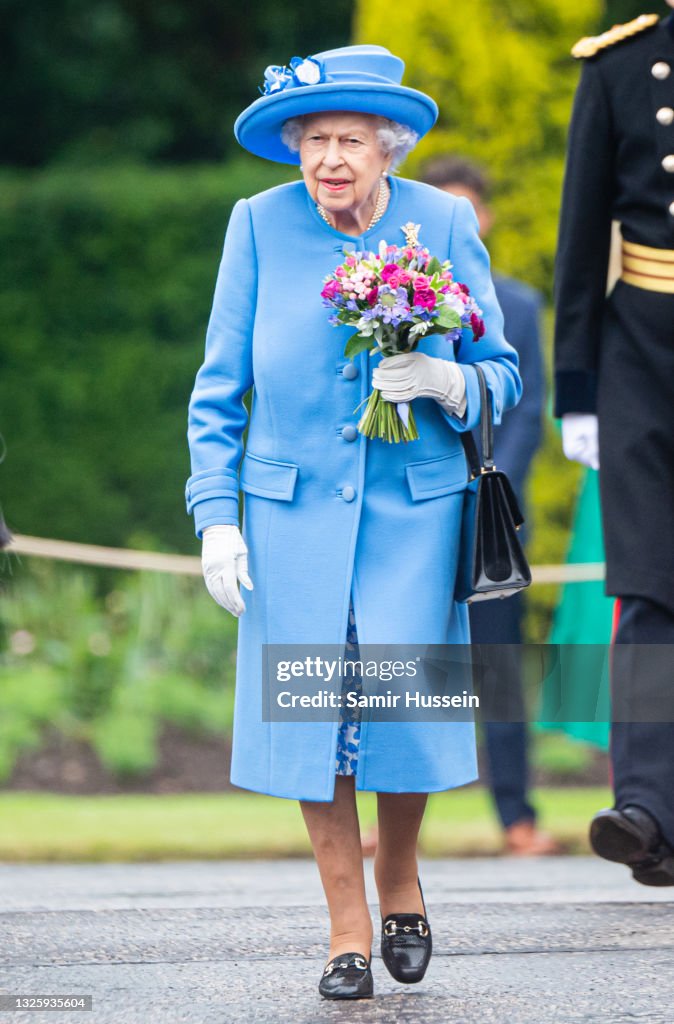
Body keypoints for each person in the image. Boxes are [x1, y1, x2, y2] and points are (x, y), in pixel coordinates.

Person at [185, 44, 521, 1000]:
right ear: (295, 148)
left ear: (390, 148)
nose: (330, 160)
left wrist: (448, 378)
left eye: (350, 142)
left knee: (400, 709)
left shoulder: (443, 221)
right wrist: (217, 514)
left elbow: (500, 372)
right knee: (310, 711)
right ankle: (344, 924)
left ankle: (401, 877)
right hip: (290, 517)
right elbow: (219, 391)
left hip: (416, 516)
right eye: (314, 142)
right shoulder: (256, 225)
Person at [554, 9, 674, 886]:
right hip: (643, 359)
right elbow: (581, 231)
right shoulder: (620, 65)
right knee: (648, 585)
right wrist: (578, 389)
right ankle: (646, 810)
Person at [418, 156, 558, 856]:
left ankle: (517, 819)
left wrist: (493, 483)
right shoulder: (396, 304)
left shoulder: (520, 304)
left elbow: (529, 409)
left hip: (491, 515)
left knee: (500, 667)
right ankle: (395, 826)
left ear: (486, 218)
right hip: (416, 509)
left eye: (467, 211)